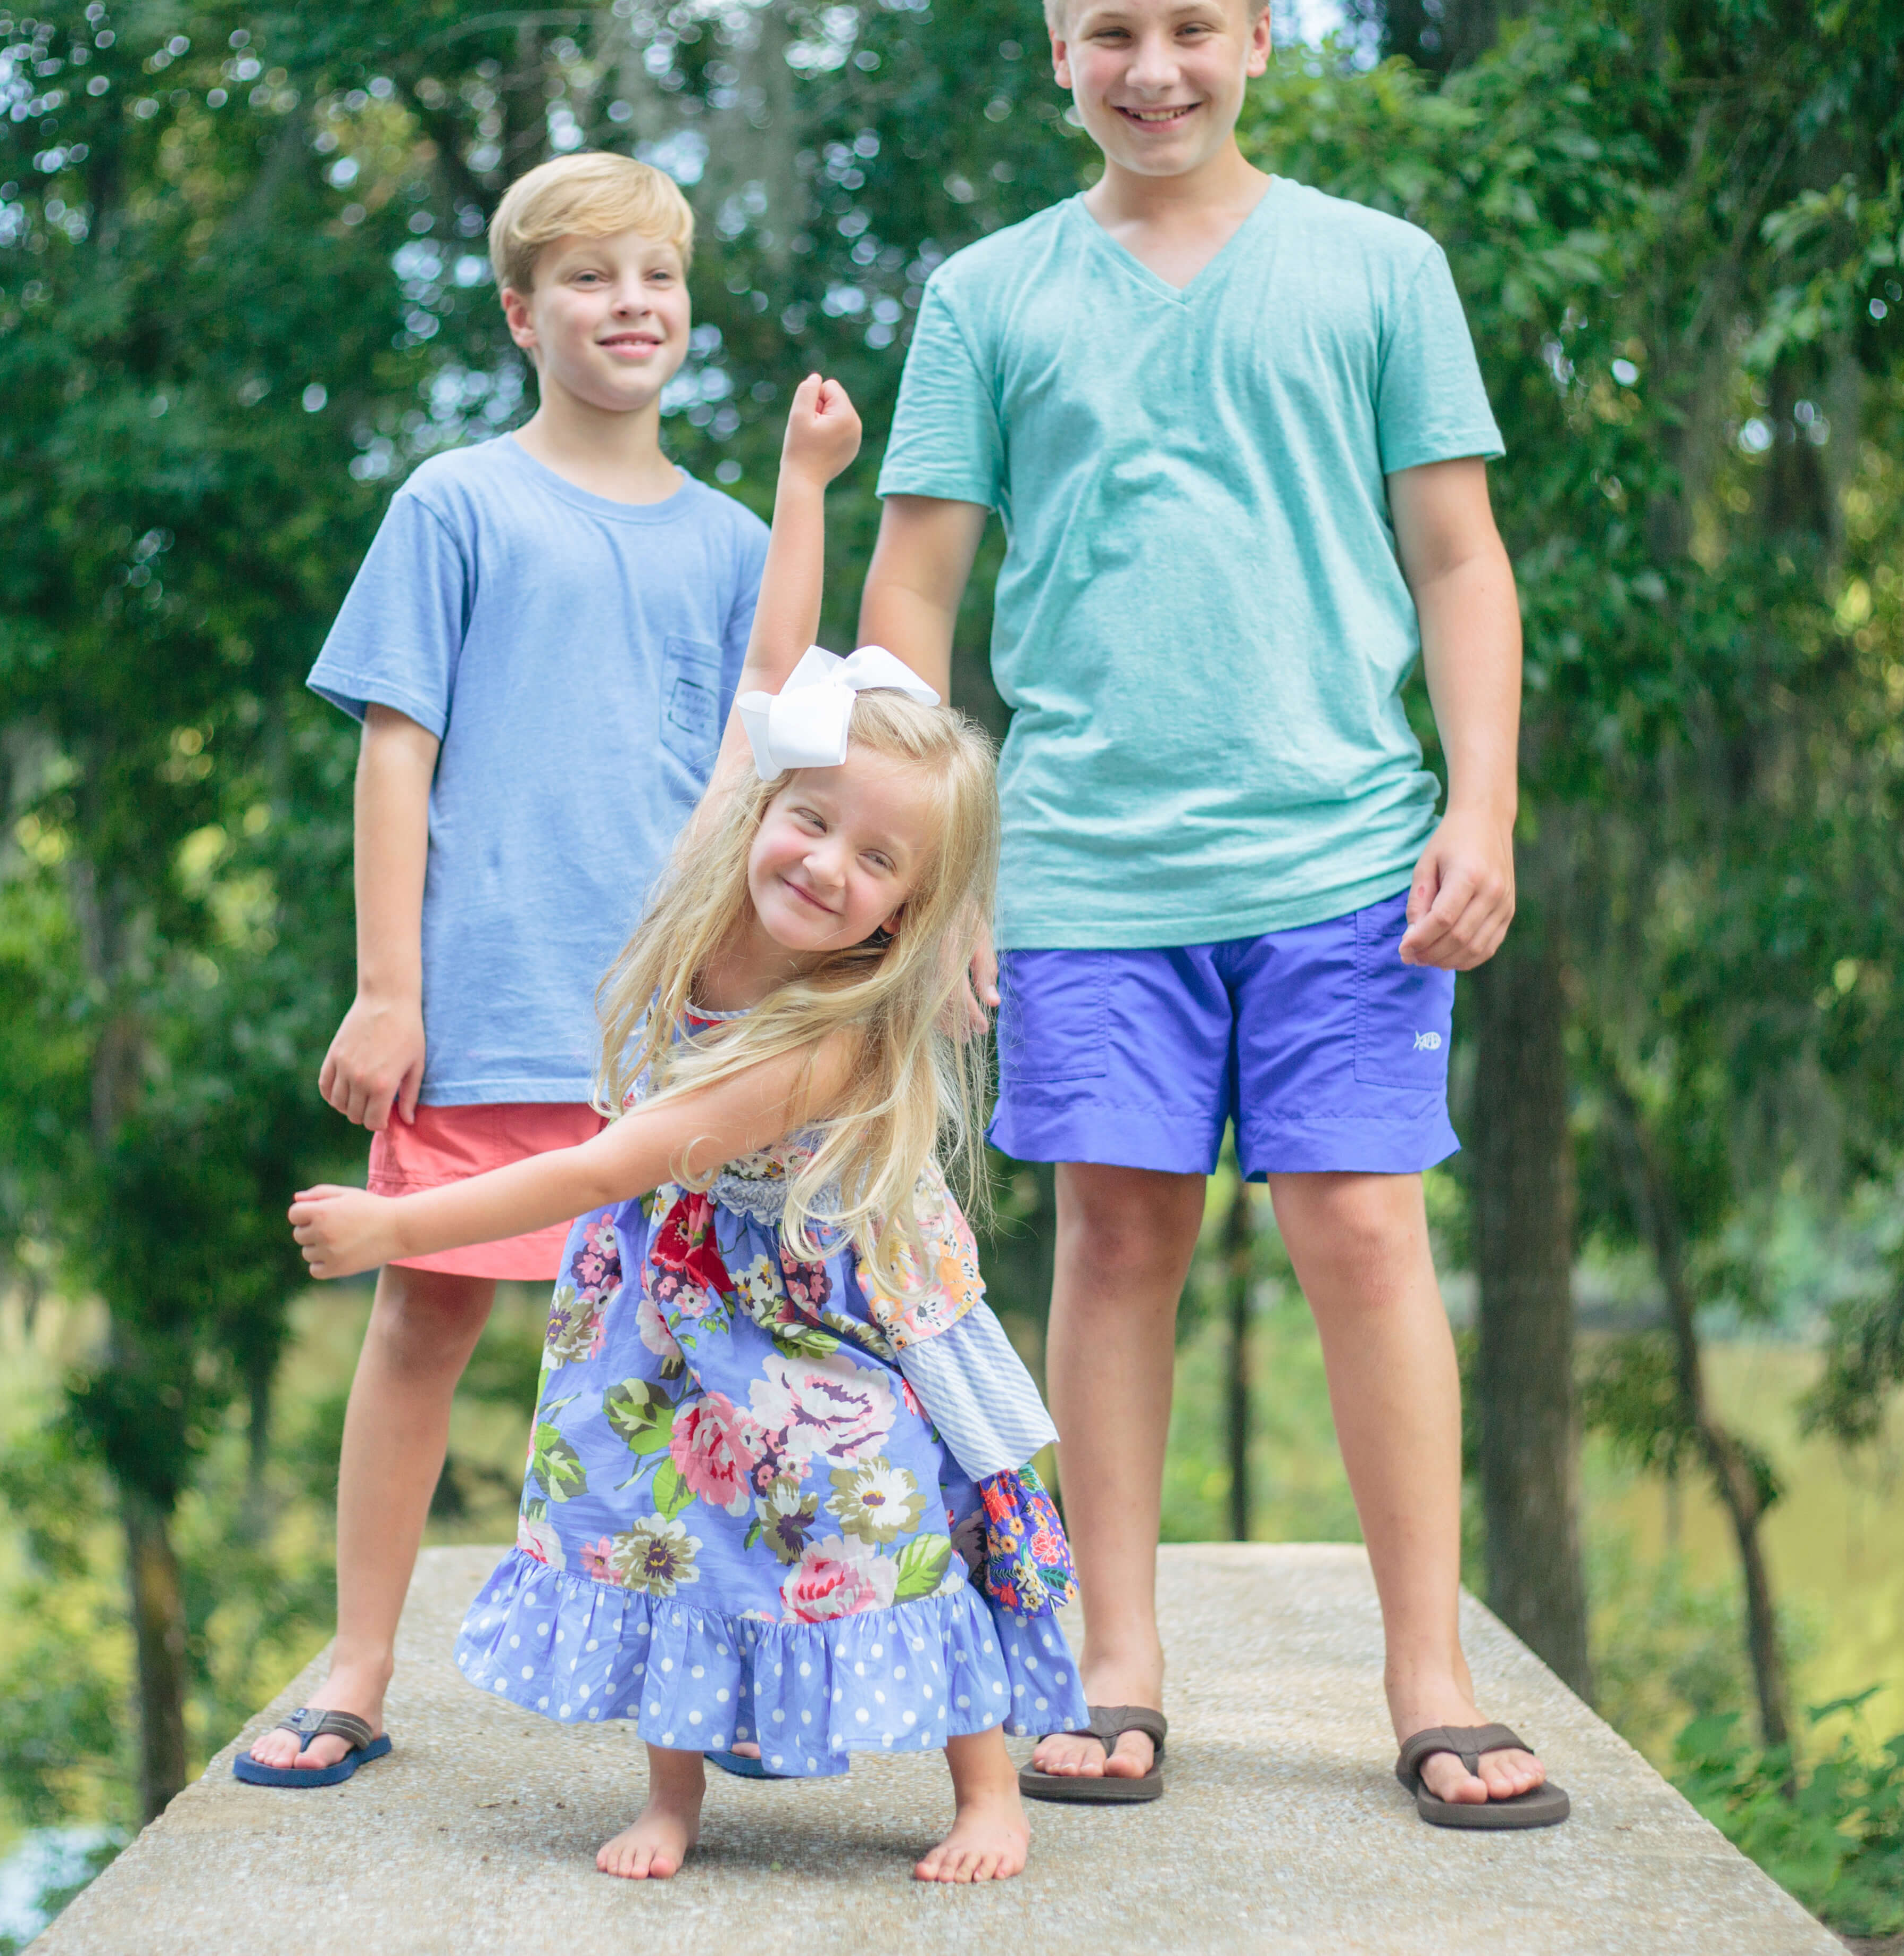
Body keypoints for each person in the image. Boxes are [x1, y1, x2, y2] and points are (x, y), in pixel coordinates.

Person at [858, 0, 1565, 1827]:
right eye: (1111, 31)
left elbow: (1458, 555)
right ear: (1055, 51)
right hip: (1086, 867)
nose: (1150, 67)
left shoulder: (1379, 268)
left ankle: (1429, 1682)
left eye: (1189, 26)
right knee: (1111, 1242)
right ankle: (1117, 1670)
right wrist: (926, 881)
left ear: (1259, 38)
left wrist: (1478, 802)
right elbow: (913, 596)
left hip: (1346, 856)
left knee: (1361, 1230)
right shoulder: (987, 296)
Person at [285, 374, 1088, 1883]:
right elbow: (772, 673)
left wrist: (396, 1227)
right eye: (811, 821)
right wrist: (802, 484)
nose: (826, 865)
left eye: (876, 862)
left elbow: (613, 1162)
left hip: (818, 1318)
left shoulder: (829, 1033)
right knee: (659, 1522)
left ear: (909, 913)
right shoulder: (715, 867)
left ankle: (985, 1791)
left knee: (880, 1521)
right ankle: (670, 1798)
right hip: (667, 1311)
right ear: (766, 804)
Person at [239, 152, 773, 1787]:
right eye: (592, 279)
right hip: (492, 1000)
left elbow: (775, 787)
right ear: (520, 312)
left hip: (680, 1034)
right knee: (422, 1320)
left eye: (656, 278)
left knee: (720, 1352)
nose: (631, 306)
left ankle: (733, 1674)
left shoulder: (738, 538)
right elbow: (394, 754)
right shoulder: (455, 503)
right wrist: (386, 987)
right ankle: (357, 1658)